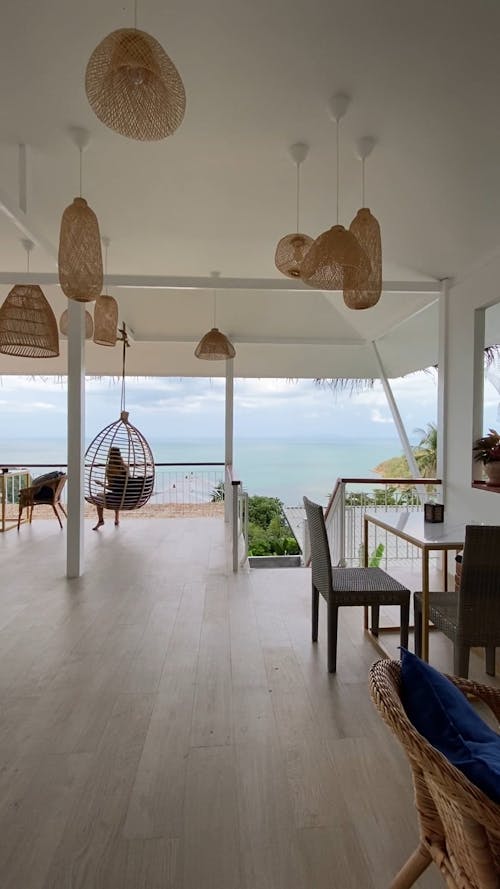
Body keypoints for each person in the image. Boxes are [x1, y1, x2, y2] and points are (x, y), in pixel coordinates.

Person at [93, 446, 129, 530]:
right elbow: (123, 485)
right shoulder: (125, 467)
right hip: (125, 497)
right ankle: (116, 519)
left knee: (98, 496)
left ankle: (101, 520)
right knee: (116, 493)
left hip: (116, 499)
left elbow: (111, 487)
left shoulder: (110, 468)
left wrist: (101, 484)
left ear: (110, 455)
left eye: (109, 452)